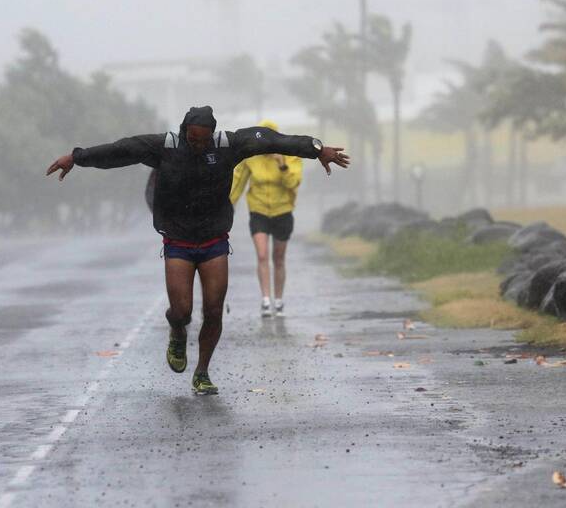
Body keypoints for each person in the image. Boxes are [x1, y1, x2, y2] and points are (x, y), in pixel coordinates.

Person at [46, 106, 349, 395]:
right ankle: (177, 333)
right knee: (182, 312)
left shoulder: (228, 145)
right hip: (178, 240)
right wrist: (77, 157)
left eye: (204, 139)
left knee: (214, 310)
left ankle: (202, 372)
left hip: (214, 239)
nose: (198, 144)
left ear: (212, 134)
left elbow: (272, 140)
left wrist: (317, 148)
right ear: (184, 131)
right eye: (193, 138)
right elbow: (121, 150)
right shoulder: (165, 147)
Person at [229, 119, 301, 318]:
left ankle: (278, 300)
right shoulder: (251, 157)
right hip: (258, 209)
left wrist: (282, 164)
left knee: (278, 258)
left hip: (283, 210)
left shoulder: (290, 155)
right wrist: (226, 204)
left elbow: (293, 183)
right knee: (262, 255)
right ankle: (265, 300)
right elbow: (238, 183)